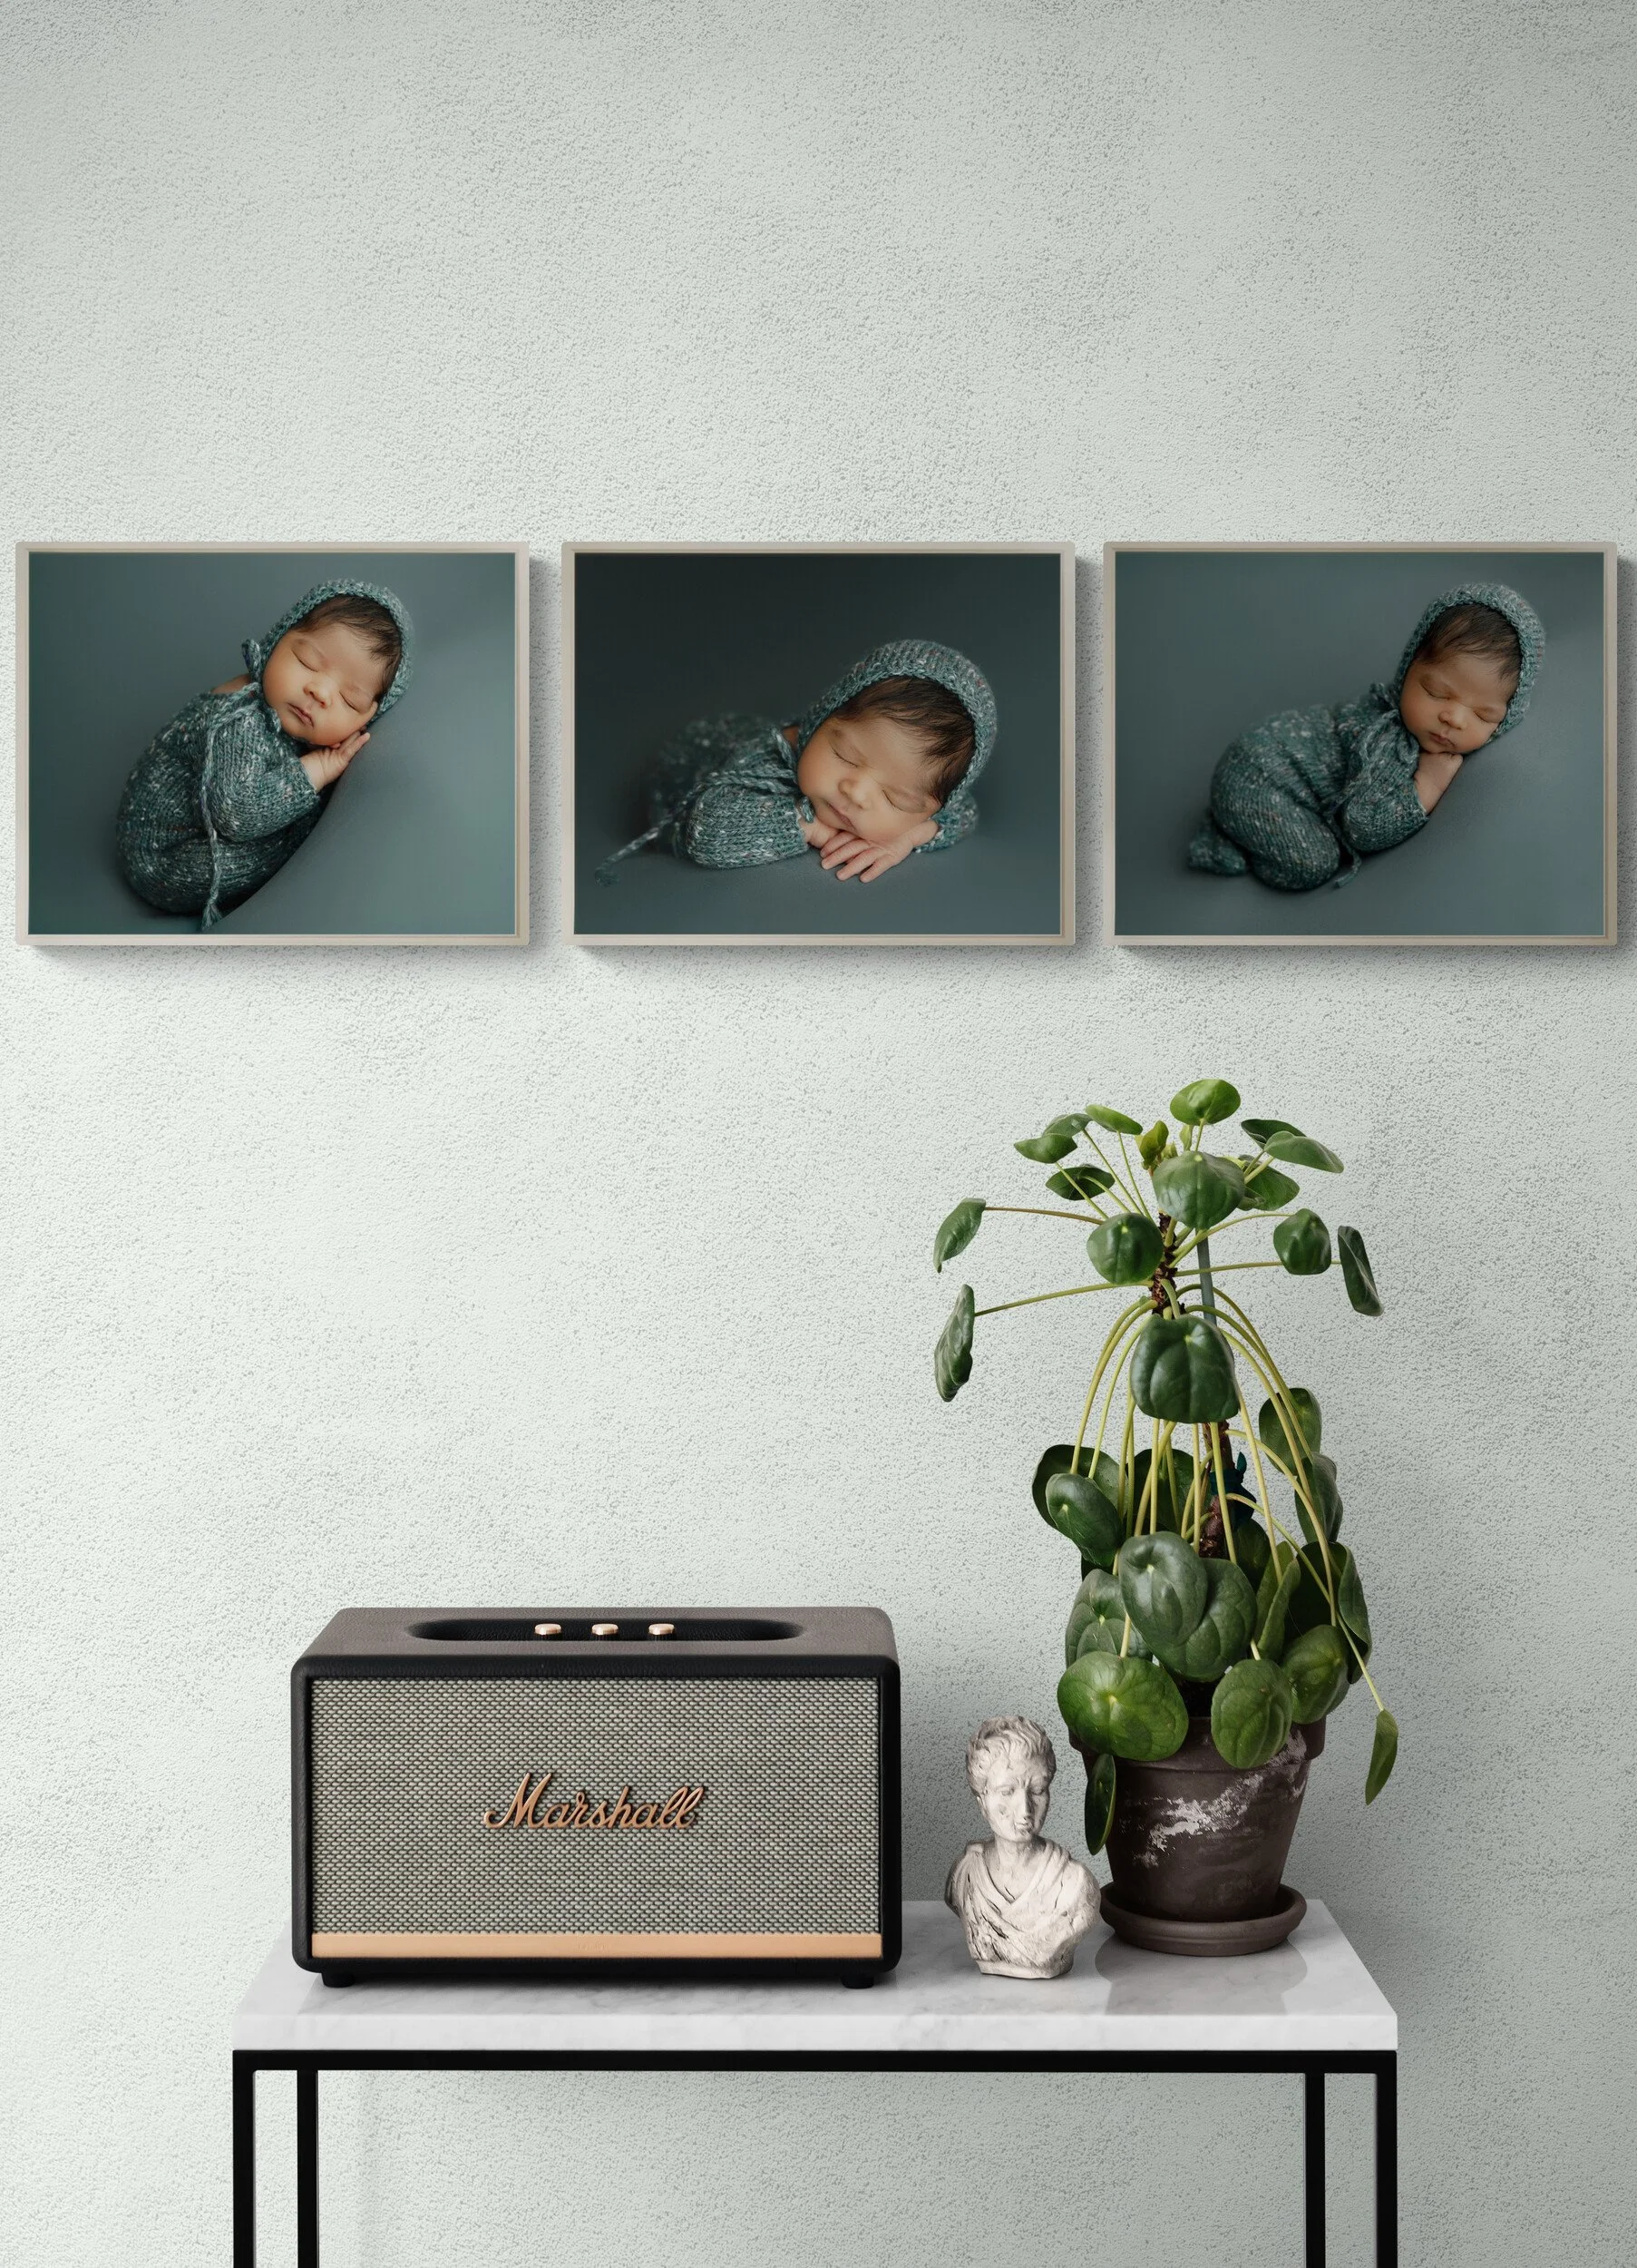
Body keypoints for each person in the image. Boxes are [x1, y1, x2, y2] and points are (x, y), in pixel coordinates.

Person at [1187, 582, 1544, 892]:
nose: (1453, 717)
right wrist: (1427, 786)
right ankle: (1228, 840)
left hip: (1267, 766)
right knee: (1314, 863)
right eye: (1436, 692)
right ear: (1407, 670)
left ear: (1507, 718)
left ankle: (1238, 821)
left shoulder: (1433, 725)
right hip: (1256, 780)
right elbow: (1362, 829)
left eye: (1483, 715)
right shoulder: (1390, 743)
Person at [115, 581, 413, 929]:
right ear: (276, 640)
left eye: (350, 699)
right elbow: (237, 815)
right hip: (163, 858)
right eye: (307, 662)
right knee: (292, 841)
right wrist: (317, 768)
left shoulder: (284, 712)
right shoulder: (240, 719)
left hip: (193, 834)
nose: (319, 692)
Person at [596, 638, 996, 886]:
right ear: (821, 718)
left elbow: (965, 813)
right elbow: (707, 832)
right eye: (845, 756)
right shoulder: (763, 757)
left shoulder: (937, 803)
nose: (856, 791)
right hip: (692, 759)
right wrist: (811, 827)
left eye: (897, 800)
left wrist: (909, 837)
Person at [944, 1716, 1100, 1979]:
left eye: (1038, 1790)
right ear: (982, 1800)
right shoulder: (965, 1875)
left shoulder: (1074, 1886)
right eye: (1007, 1791)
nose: (1025, 1810)